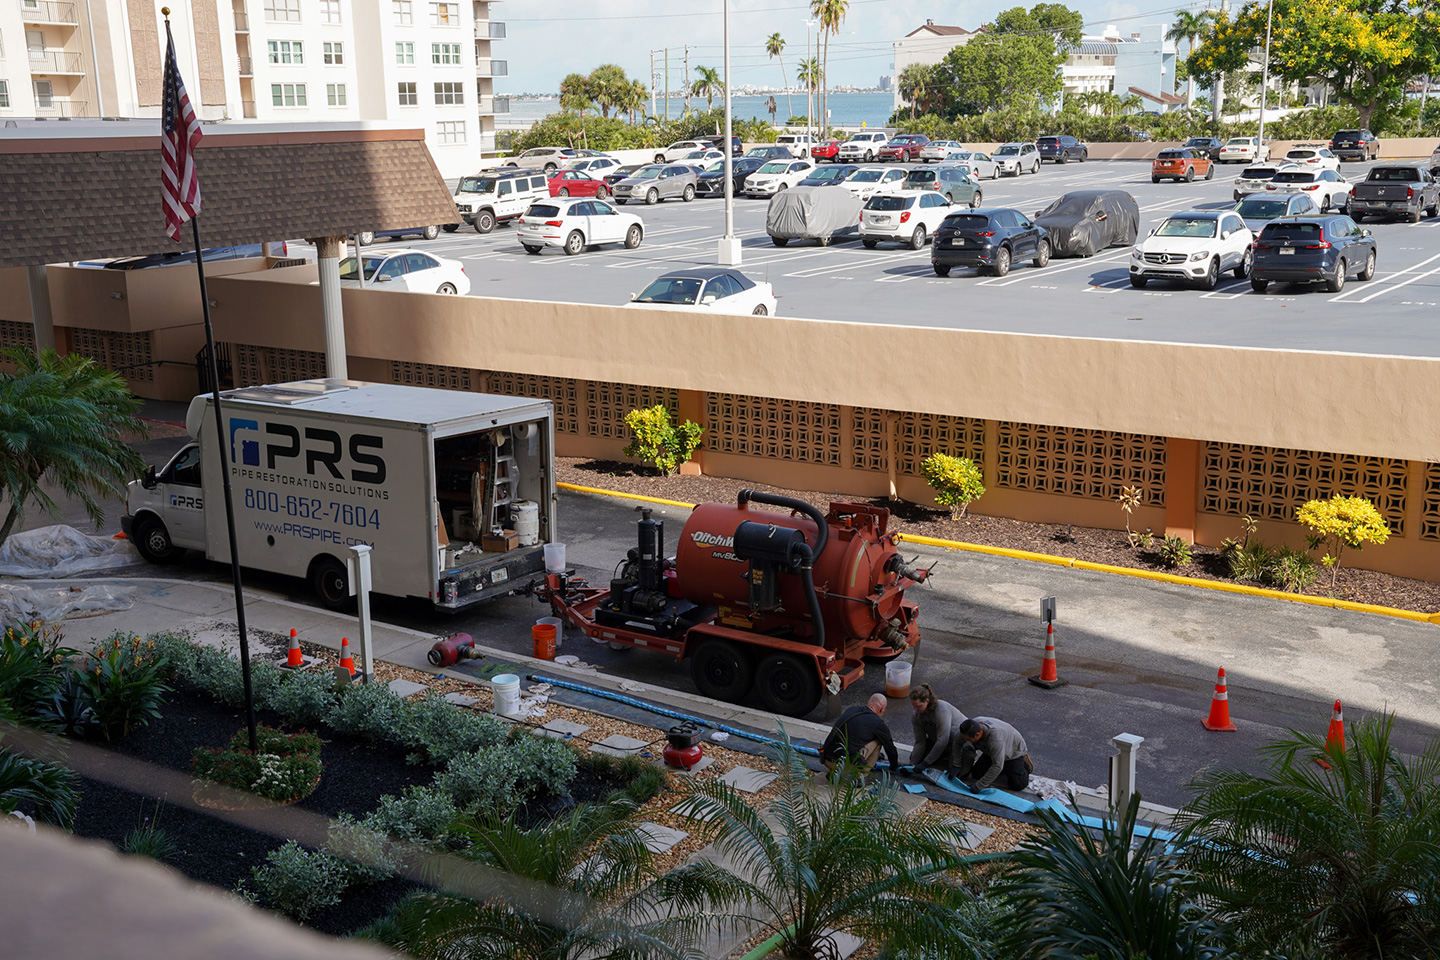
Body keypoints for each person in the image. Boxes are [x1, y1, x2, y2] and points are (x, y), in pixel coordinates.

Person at [820, 693, 899, 774]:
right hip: (843, 764)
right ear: (882, 709)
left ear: (868, 703)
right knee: (879, 740)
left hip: (826, 759)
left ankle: (833, 772)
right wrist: (894, 766)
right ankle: (860, 776)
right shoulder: (878, 723)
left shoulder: (852, 709)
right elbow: (890, 749)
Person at [907, 684, 970, 778]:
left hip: (958, 742)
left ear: (927, 701)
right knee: (915, 758)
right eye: (913, 706)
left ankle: (952, 757)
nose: (915, 709)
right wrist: (913, 764)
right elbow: (920, 741)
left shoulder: (942, 711)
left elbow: (943, 740)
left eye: (918, 706)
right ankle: (942, 756)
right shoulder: (916, 715)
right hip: (938, 740)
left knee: (958, 775)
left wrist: (925, 763)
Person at [958, 716, 1033, 791]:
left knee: (1018, 784)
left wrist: (979, 786)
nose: (966, 740)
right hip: (993, 751)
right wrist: (956, 765)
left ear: (977, 735)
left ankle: (1024, 765)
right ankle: (1003, 767)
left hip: (1013, 753)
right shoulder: (970, 726)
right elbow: (957, 742)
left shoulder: (995, 739)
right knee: (976, 774)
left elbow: (997, 765)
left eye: (968, 739)